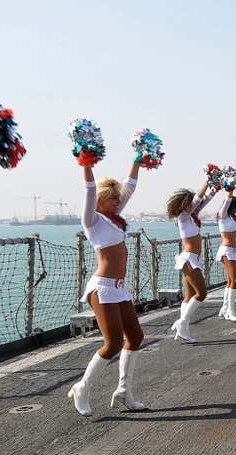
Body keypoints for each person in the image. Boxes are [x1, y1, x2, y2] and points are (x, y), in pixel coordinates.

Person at [70, 156, 147, 416]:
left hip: (120, 288)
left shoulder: (115, 218)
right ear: (100, 201)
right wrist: (86, 162)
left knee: (135, 337)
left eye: (118, 198)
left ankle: (124, 390)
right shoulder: (92, 220)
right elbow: (89, 189)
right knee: (112, 343)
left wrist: (136, 160)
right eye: (112, 198)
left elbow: (130, 187)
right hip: (102, 288)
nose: (118, 200)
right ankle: (82, 387)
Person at [169, 178, 215, 343]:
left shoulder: (192, 216)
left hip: (194, 259)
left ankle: (183, 329)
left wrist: (215, 188)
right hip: (188, 259)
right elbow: (198, 199)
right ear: (184, 205)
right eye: (190, 204)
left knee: (188, 297)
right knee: (201, 294)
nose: (193, 205)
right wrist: (208, 179)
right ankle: (181, 323)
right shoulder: (183, 217)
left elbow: (204, 200)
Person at [216, 181, 236, 323]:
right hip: (226, 250)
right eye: (235, 208)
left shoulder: (232, 216)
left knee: (231, 280)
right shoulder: (223, 215)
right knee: (235, 280)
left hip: (232, 250)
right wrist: (230, 188)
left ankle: (224, 308)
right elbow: (230, 200)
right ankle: (230, 310)